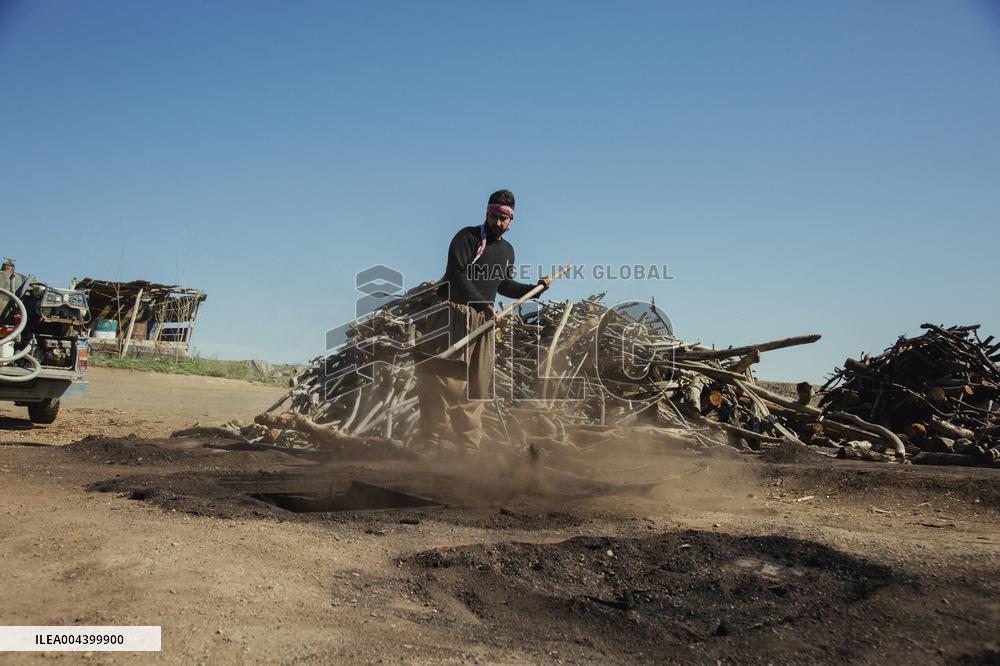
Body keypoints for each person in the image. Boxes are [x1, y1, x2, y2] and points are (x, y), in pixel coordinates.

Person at [415, 189, 553, 457]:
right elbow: (456, 275)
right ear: (486, 213)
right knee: (441, 380)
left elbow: (502, 284)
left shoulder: (507, 251)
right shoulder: (467, 237)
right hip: (452, 314)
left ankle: (468, 452)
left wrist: (536, 288)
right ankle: (429, 448)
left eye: (503, 218)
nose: (498, 223)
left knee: (476, 386)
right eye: (493, 216)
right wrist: (482, 305)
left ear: (511, 221)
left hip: (482, 323)